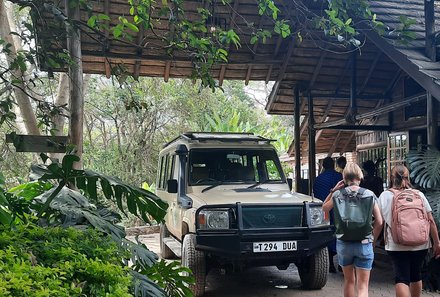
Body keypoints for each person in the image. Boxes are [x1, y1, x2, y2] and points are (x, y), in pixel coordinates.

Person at [377, 165, 440, 297]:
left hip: (396, 244)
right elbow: (431, 221)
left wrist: (372, 241)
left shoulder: (385, 196)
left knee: (401, 278)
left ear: (392, 178)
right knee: (415, 276)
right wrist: (437, 242)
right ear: (408, 177)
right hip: (420, 244)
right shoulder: (419, 194)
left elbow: (379, 222)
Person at [322, 163, 383, 297]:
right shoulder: (369, 194)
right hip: (364, 243)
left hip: (344, 244)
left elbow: (324, 208)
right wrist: (372, 240)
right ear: (360, 176)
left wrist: (333, 191)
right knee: (362, 286)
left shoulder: (338, 194)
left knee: (349, 281)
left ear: (344, 178)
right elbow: (379, 221)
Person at [313, 156, 342, 272]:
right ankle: (342, 263)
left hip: (323, 211)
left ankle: (330, 264)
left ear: (323, 166)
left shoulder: (318, 179)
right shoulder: (338, 177)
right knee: (340, 235)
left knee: (327, 235)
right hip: (337, 211)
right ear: (333, 164)